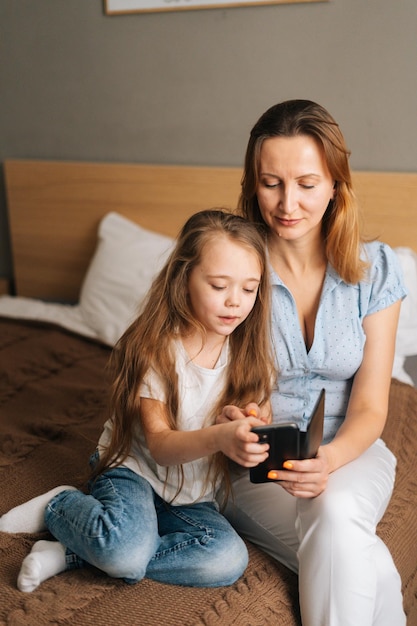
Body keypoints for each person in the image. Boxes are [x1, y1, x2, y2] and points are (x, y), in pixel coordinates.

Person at [0, 209, 275, 593]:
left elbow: (252, 416)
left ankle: (73, 553)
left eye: (249, 289)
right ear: (185, 278)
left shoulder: (249, 357)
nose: (236, 302)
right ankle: (60, 505)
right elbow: (160, 445)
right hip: (135, 471)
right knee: (125, 555)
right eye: (219, 286)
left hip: (192, 494)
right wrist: (220, 436)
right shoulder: (159, 351)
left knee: (226, 559)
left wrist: (250, 426)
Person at [219, 100, 407, 625]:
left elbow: (372, 405)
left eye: (306, 183)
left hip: (352, 448)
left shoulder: (377, 271)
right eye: (270, 182)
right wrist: (233, 415)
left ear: (335, 185)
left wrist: (330, 459)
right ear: (252, 185)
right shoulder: (231, 263)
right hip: (255, 468)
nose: (287, 203)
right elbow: (202, 377)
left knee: (334, 506)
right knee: (370, 564)